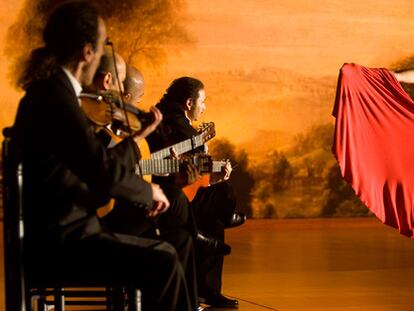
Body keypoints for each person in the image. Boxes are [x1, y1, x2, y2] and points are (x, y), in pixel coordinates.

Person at [11, 2, 193, 310]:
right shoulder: (56, 99)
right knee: (163, 260)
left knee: (165, 254)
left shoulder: (50, 93)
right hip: (65, 242)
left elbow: (94, 162)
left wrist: (136, 140)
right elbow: (101, 170)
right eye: (101, 45)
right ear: (86, 53)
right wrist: (147, 191)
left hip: (65, 234)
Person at [147, 77, 245, 308]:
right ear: (189, 102)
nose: (205, 106)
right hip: (169, 198)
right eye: (203, 101)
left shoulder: (161, 115)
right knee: (223, 196)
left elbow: (185, 166)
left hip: (169, 192)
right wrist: (211, 165)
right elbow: (184, 166)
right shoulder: (178, 122)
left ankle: (204, 289)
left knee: (214, 219)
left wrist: (209, 171)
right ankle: (207, 290)